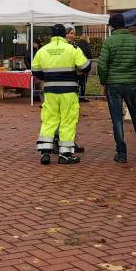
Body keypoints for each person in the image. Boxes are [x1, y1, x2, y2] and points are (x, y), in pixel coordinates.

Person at [31, 24, 90, 165]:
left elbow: (34, 70)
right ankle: (65, 155)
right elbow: (86, 66)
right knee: (67, 121)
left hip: (50, 91)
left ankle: (45, 152)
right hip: (69, 91)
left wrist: (47, 77)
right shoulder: (72, 49)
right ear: (64, 34)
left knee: (49, 120)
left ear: (51, 35)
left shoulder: (43, 50)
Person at [98, 13, 136, 163]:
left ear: (112, 26)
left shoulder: (109, 42)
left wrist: (104, 82)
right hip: (131, 85)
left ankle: (121, 153)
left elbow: (102, 65)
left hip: (113, 85)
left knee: (117, 119)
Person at [66, 25, 94, 102]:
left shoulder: (76, 47)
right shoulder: (59, 47)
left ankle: (80, 97)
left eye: (72, 33)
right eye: (67, 33)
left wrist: (81, 69)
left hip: (74, 74)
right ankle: (81, 96)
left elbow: (82, 60)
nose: (69, 35)